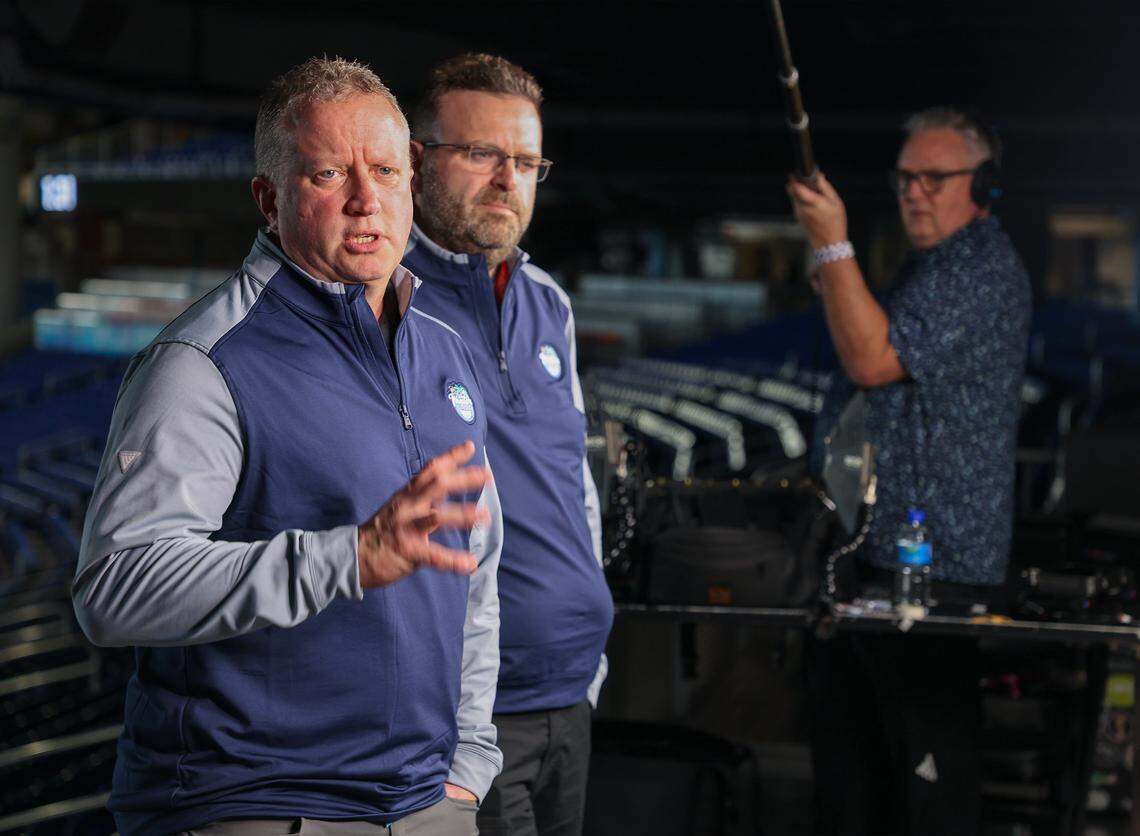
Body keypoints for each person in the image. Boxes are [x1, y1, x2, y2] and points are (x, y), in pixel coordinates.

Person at [72, 57, 503, 836]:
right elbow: (114, 587)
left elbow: (476, 575)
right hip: (257, 805)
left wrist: (467, 764)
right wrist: (347, 557)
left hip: (427, 807)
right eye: (329, 174)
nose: (367, 199)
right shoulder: (204, 362)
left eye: (385, 170)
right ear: (269, 201)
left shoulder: (445, 353)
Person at [788, 108, 1031, 834]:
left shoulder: (980, 267)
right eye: (905, 178)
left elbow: (872, 360)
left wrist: (833, 246)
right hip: (886, 562)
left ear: (981, 185)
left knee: (925, 786)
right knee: (854, 776)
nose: (914, 192)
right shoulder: (932, 267)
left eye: (934, 178)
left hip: (937, 569)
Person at [402, 54, 614, 836]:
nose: (507, 179)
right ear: (419, 161)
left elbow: (574, 487)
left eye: (526, 161)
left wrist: (592, 666)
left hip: (570, 696)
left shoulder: (549, 302)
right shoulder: (384, 299)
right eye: (483, 154)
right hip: (468, 722)